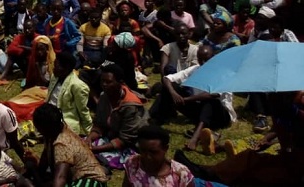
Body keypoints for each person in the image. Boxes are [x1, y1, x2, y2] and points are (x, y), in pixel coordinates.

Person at [174, 91, 304, 186]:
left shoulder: (296, 106)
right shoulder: (285, 103)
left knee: (253, 164)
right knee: (253, 150)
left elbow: (292, 148)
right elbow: (281, 128)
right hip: (289, 154)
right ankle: (209, 169)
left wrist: (285, 144)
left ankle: (209, 171)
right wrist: (269, 137)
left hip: (297, 167)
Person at [150, 45, 236, 154]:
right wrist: (173, 94)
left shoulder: (223, 73)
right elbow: (167, 78)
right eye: (201, 59)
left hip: (221, 115)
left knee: (210, 101)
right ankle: (157, 117)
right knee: (171, 88)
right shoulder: (195, 69)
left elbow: (212, 95)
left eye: (207, 59)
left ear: (213, 57)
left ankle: (195, 137)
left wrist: (185, 99)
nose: (204, 63)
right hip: (201, 110)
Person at [30, 103, 109, 187]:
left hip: (91, 182)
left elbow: (61, 178)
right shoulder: (52, 135)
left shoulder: (62, 143)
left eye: (39, 129)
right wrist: (32, 167)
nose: (38, 132)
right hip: (75, 180)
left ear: (46, 128)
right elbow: (43, 166)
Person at [86, 64, 147, 169]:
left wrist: (95, 149)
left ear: (120, 83)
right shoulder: (104, 97)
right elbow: (99, 125)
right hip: (111, 136)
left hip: (131, 143)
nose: (104, 85)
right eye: (102, 81)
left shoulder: (130, 105)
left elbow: (125, 139)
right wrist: (89, 138)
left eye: (108, 82)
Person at [123, 125, 195, 187]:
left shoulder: (181, 174)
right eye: (143, 150)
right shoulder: (132, 163)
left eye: (153, 152)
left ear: (165, 149)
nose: (147, 157)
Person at [46, 51, 93, 136]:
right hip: (49, 115)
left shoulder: (78, 86)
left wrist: (90, 134)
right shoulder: (55, 76)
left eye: (56, 66)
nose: (53, 68)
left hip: (63, 121)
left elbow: (83, 111)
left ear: (66, 69)